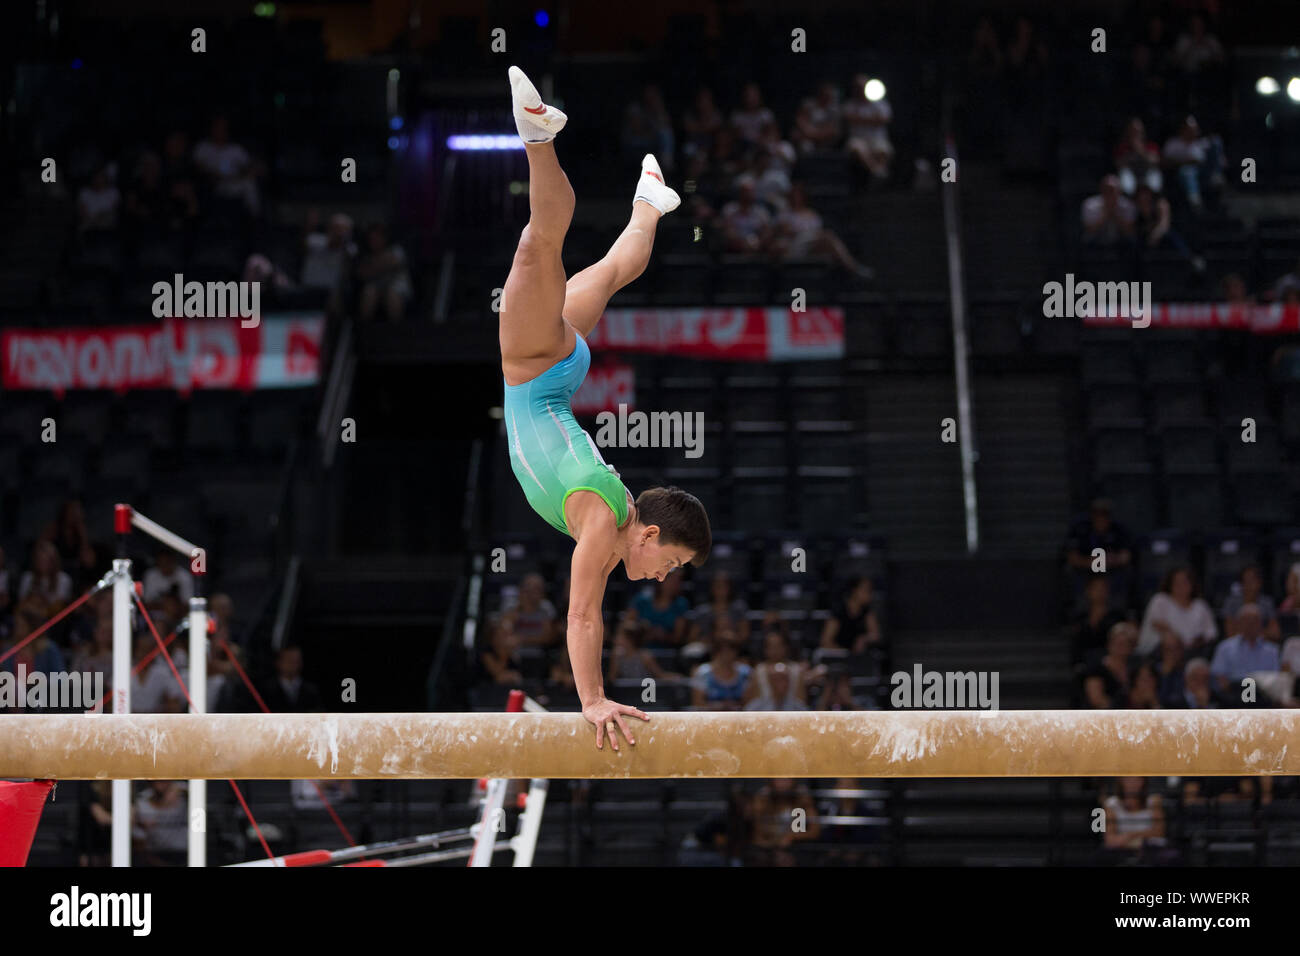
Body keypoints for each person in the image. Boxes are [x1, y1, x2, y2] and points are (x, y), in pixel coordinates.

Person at [497, 67, 712, 750]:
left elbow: (589, 611)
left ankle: (649, 202)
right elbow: (582, 616)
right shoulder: (602, 516)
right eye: (671, 563)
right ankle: (537, 136)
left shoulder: (614, 511)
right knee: (539, 243)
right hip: (535, 363)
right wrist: (591, 701)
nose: (662, 578)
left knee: (614, 269)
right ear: (647, 536)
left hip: (556, 372)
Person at [1137, 566, 1216, 656]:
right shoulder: (1160, 600)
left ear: (1192, 584)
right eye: (1177, 582)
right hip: (1160, 651)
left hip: (1194, 652)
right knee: (1169, 640)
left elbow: (1210, 633)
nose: (1181, 586)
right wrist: (1181, 641)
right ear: (1170, 584)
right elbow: (1158, 624)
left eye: (1185, 582)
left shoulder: (1201, 605)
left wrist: (1198, 641)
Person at [820, 576, 881, 653]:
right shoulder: (839, 611)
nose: (870, 594)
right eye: (866, 590)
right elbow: (825, 641)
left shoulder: (867, 612)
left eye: (870, 591)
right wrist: (846, 653)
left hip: (860, 657)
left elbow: (876, 635)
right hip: (839, 656)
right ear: (854, 591)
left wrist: (864, 638)